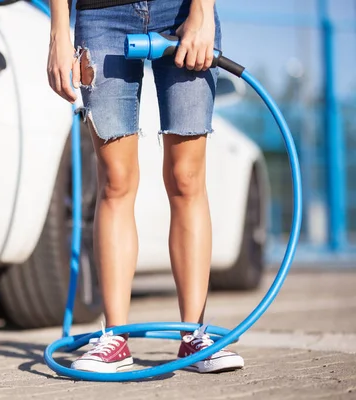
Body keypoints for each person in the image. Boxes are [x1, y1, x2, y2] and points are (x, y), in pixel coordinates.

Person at [46, 0, 245, 373]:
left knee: (187, 178)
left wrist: (201, 13)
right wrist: (59, 28)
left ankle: (194, 336)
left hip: (183, 9)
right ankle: (115, 338)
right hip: (102, 15)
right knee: (116, 181)